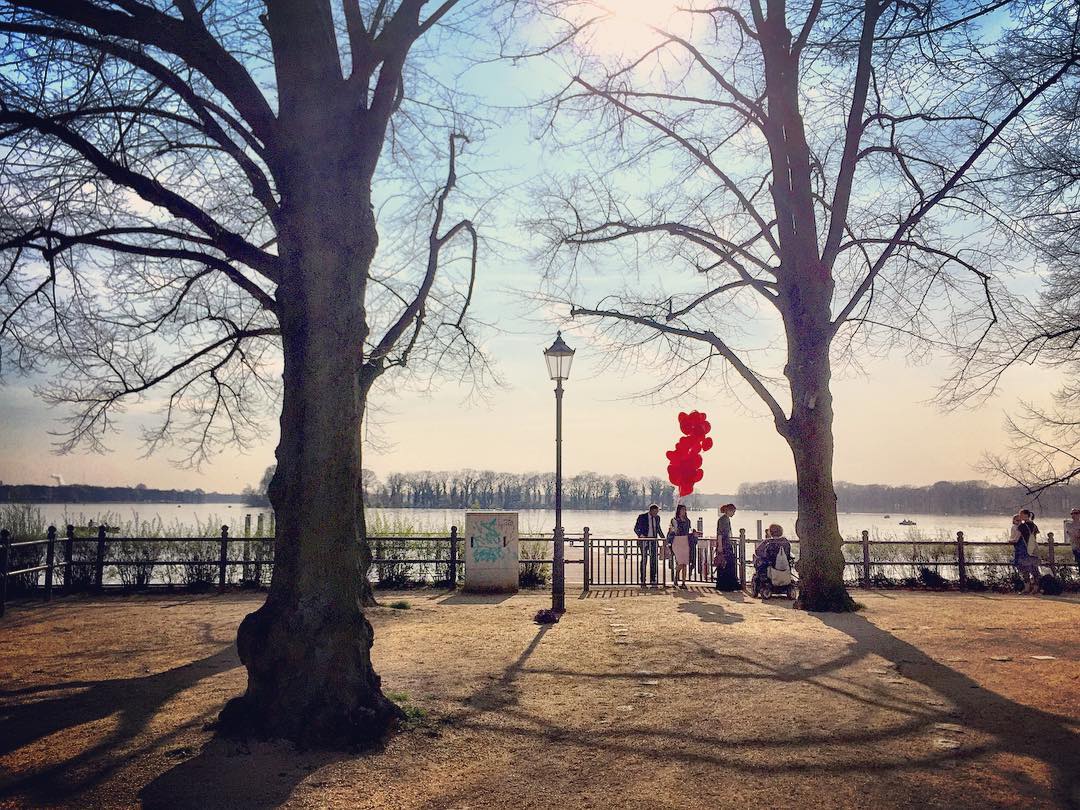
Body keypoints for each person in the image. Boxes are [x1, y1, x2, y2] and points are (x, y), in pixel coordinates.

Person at [668, 504, 697, 589]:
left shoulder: (688, 520)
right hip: (677, 541)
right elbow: (673, 531)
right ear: (678, 510)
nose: (684, 511)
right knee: (681, 562)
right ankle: (676, 577)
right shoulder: (674, 520)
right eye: (682, 509)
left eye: (685, 509)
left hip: (685, 540)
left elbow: (688, 531)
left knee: (685, 563)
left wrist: (693, 534)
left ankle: (683, 582)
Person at [633, 504, 663, 586]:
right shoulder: (642, 517)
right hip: (644, 541)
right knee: (644, 559)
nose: (657, 513)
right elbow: (635, 528)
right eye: (656, 511)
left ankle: (653, 579)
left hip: (653, 541)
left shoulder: (657, 518)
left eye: (657, 512)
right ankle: (643, 579)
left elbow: (658, 529)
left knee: (654, 560)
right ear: (651, 510)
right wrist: (641, 535)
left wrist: (664, 539)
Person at [1014, 511, 1041, 594]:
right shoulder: (1034, 526)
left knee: (1024, 570)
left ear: (1025, 515)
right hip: (1033, 550)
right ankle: (1036, 588)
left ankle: (1027, 588)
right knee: (1034, 570)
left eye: (1021, 514)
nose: (1019, 516)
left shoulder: (1021, 526)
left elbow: (1016, 539)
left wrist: (1010, 540)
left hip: (1024, 550)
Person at [714, 503, 740, 591]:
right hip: (724, 544)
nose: (734, 513)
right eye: (733, 511)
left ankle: (727, 583)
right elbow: (720, 534)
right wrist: (720, 546)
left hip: (726, 543)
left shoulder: (726, 519)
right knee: (725, 563)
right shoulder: (722, 520)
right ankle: (726, 584)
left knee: (727, 564)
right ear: (729, 511)